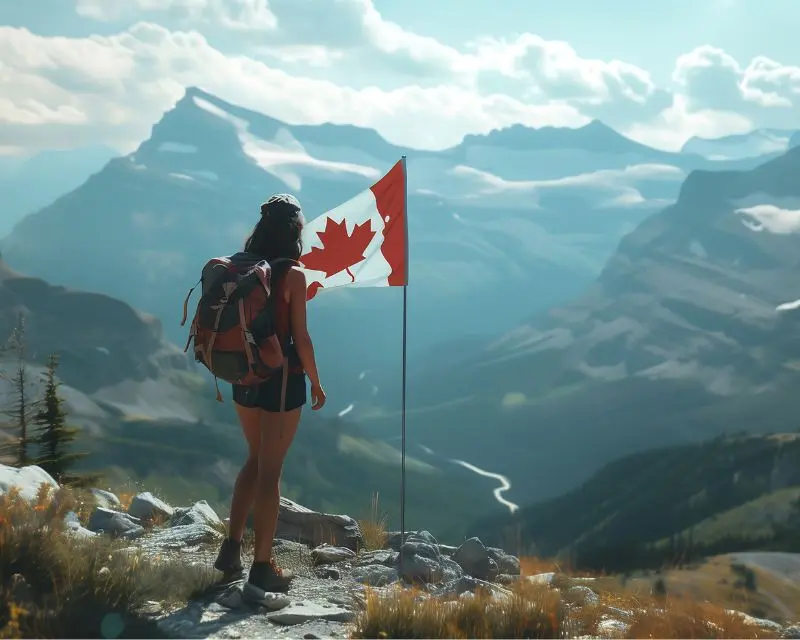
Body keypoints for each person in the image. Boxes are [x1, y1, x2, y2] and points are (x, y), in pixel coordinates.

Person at [212, 194, 326, 598]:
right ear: (294, 233)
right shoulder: (293, 276)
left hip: (243, 375)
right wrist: (316, 382)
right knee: (270, 471)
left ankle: (230, 550)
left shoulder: (241, 267)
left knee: (254, 458)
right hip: (282, 380)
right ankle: (262, 567)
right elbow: (303, 338)